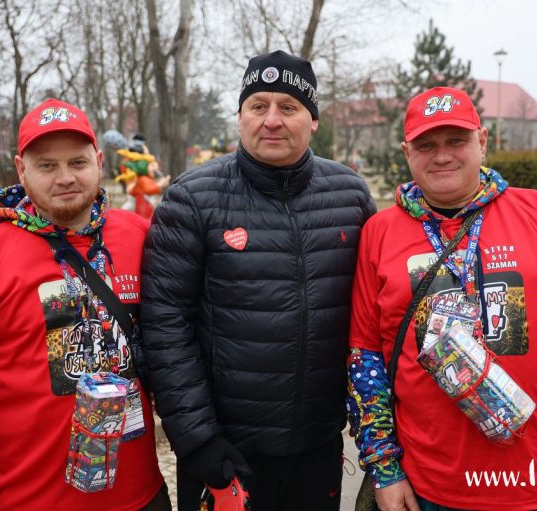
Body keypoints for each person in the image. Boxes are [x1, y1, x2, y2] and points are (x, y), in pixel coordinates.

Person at [347, 86, 537, 511]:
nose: (442, 155)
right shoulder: (379, 234)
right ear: (407, 153)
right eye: (426, 145)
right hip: (427, 490)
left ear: (482, 141)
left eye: (456, 140)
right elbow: (365, 359)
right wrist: (385, 469)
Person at [140, 50, 376, 511]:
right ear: (240, 117)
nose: (272, 120)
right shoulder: (192, 199)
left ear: (313, 120)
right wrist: (197, 439)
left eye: (288, 107)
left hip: (317, 446)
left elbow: (371, 314)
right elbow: (165, 324)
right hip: (225, 452)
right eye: (258, 106)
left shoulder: (350, 196)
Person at [0, 99, 169, 511]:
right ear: (21, 170)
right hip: (27, 500)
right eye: (47, 165)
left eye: (77, 162)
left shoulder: (142, 236)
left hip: (141, 497)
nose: (65, 177)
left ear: (99, 162)